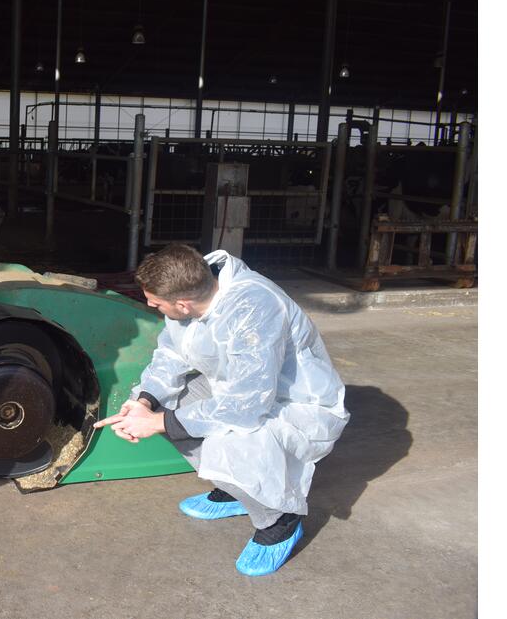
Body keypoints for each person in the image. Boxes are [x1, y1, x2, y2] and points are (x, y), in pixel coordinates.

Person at [94, 244, 349, 576]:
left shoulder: (255, 307)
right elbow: (170, 357)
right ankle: (236, 491)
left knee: (234, 435)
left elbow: (248, 406)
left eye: (156, 304)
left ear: (182, 304)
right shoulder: (193, 299)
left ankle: (278, 517)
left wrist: (158, 423)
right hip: (243, 394)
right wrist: (144, 402)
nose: (151, 306)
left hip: (297, 406)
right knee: (171, 404)